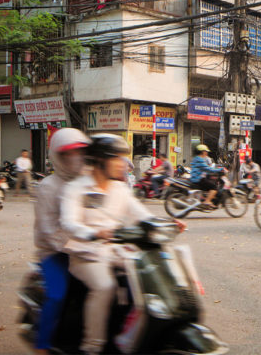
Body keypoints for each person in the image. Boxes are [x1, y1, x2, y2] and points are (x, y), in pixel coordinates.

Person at [60, 134, 184, 355]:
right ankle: (92, 346)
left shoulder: (120, 189)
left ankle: (134, 337)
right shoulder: (76, 188)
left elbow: (142, 215)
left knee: (149, 279)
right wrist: (93, 232)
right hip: (85, 253)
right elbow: (68, 223)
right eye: (116, 158)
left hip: (116, 250)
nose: (123, 164)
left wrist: (168, 223)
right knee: (104, 286)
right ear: (99, 161)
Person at [33, 128, 91, 355]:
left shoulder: (88, 181)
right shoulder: (48, 186)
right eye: (68, 154)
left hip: (89, 248)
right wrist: (76, 247)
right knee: (58, 294)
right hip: (55, 252)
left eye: (79, 152)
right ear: (58, 156)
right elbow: (49, 231)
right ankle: (43, 344)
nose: (75, 158)